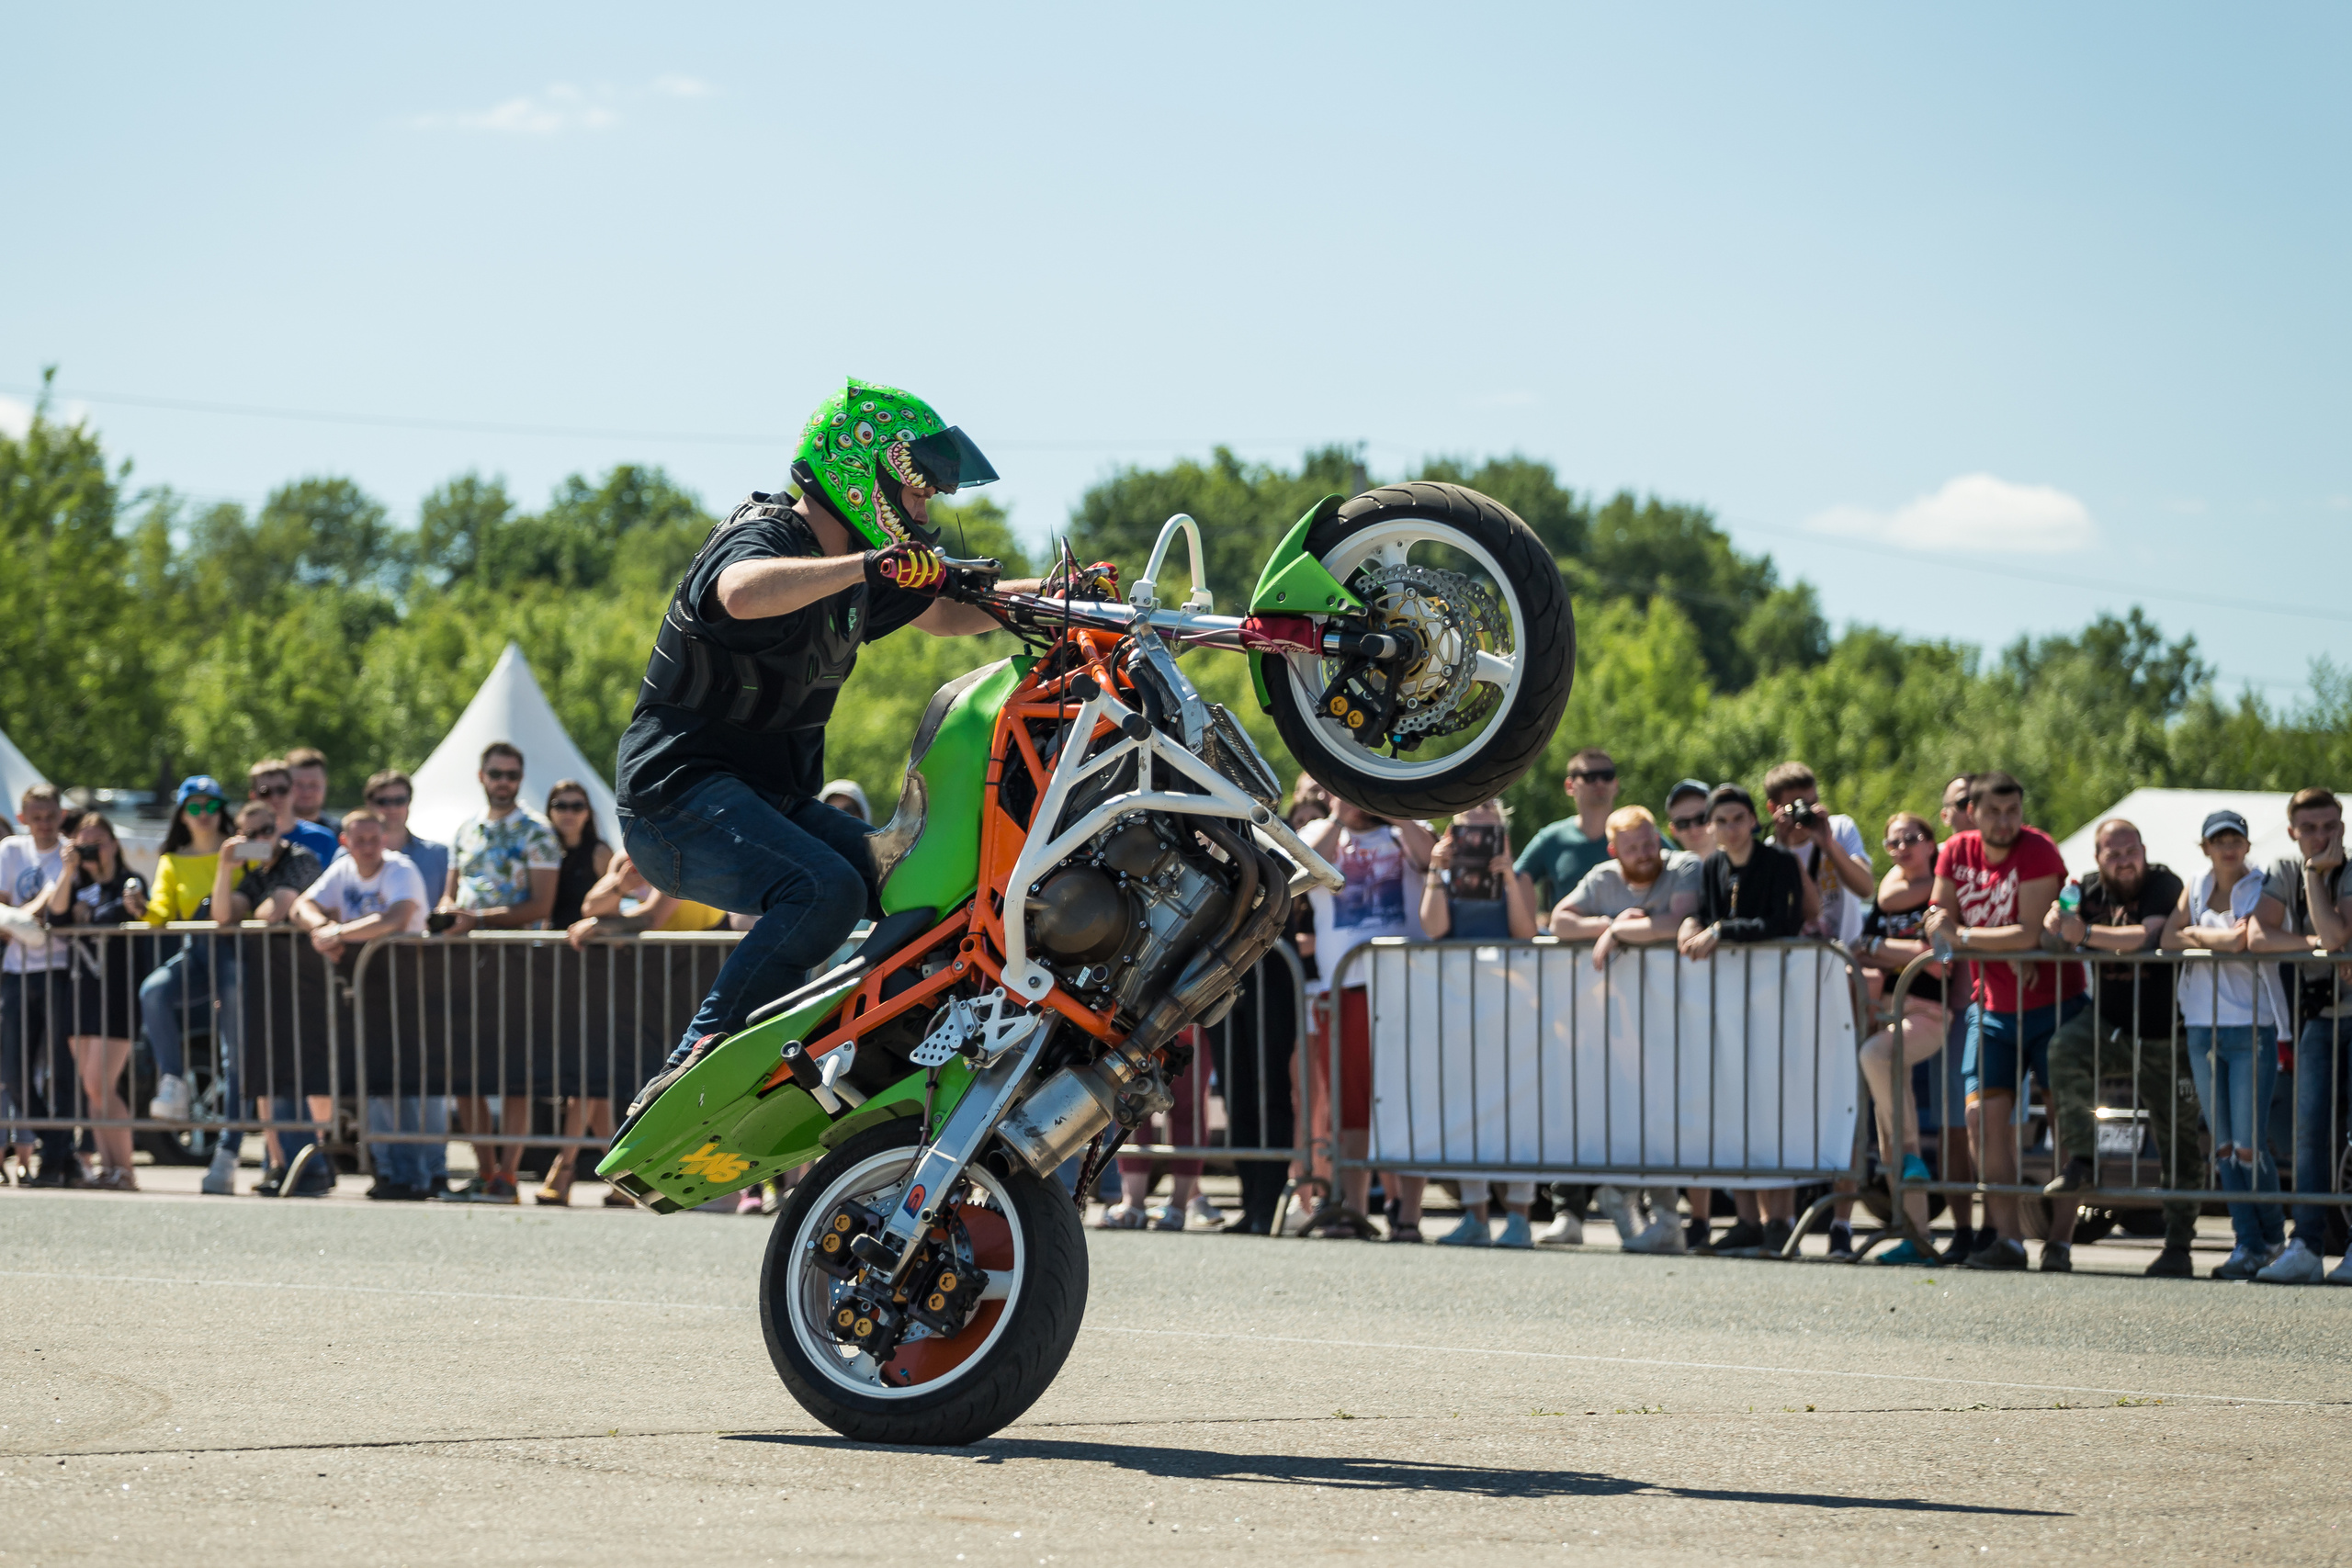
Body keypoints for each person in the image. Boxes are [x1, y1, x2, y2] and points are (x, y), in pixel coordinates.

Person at [614, 381, 1028, 1092]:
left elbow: (949, 614)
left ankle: (883, 1048)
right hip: (676, 801)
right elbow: (740, 592)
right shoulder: (767, 535)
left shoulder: (862, 569)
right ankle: (699, 1057)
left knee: (922, 882)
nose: (924, 512)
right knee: (824, 887)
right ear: (861, 476)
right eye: (917, 492)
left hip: (768, 802)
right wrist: (870, 565)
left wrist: (1064, 596)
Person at [1920, 771, 2083, 1272]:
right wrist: (1950, 929)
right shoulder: (1955, 852)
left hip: (2055, 1006)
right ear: (1973, 812)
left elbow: (2028, 934)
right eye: (1994, 812)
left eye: (2013, 812)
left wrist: (1964, 936)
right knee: (1981, 1120)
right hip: (1989, 1009)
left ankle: (2059, 1242)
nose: (2005, 822)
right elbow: (1936, 921)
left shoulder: (2037, 849)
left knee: (2064, 1126)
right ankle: (2008, 1240)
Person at [2035, 818, 2199, 1277]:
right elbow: (2053, 941)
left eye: (2132, 851)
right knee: (2064, 1048)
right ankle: (2083, 1160)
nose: (2125, 861)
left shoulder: (2165, 883)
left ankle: (2178, 1245)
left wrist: (2082, 934)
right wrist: (2055, 927)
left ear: (2144, 851)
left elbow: (2147, 935)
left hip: (2166, 1033)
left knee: (2178, 1140)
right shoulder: (2083, 890)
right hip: (2108, 1024)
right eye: (2114, 854)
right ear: (2098, 859)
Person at [1545, 803, 1702, 1254]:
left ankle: (1664, 1214)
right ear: (1615, 850)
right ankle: (1621, 1195)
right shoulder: (1602, 877)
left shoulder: (1684, 866)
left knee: (1664, 1116)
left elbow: (1676, 923)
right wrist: (1612, 923)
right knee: (1614, 1114)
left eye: (1650, 842)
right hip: (1612, 1027)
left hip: (1673, 1023)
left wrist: (1617, 935)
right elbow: (1559, 920)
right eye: (1633, 848)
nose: (1645, 853)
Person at [1677, 784, 1813, 1256]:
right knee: (1735, 1112)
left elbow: (1783, 924)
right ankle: (1747, 1219)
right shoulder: (1711, 866)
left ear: (1754, 821)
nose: (1729, 828)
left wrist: (1720, 930)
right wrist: (1693, 925)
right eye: (1720, 821)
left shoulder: (1779, 864)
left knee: (1774, 1111)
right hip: (1728, 1006)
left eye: (1738, 818)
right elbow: (1702, 914)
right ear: (1710, 829)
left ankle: (1781, 1219)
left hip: (1775, 1001)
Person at [2159, 809, 2290, 1279]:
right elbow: (2169, 937)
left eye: (2236, 838)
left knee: (2249, 1145)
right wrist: (2200, 935)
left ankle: (2273, 1236)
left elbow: (2241, 943)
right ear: (2205, 847)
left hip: (2251, 1024)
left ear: (2248, 846)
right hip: (2200, 1024)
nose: (2228, 847)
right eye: (2219, 840)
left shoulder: (2262, 884)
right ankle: (2248, 1242)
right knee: (2222, 1145)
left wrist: (2195, 934)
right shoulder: (2193, 884)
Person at [1301, 798, 1433, 1239]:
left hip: (1405, 985)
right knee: (1348, 1105)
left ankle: (1410, 1215)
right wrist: (1340, 814)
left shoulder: (1405, 828)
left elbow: (1433, 858)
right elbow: (1296, 866)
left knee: (1409, 1104)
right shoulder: (1322, 831)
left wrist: (1392, 807)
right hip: (1346, 989)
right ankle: (1355, 1209)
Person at [435, 741, 561, 1203]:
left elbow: (541, 905)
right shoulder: (465, 830)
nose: (503, 781)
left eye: (511, 774)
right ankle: (484, 1171)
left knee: (513, 1074)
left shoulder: (538, 831)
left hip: (518, 961)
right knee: (466, 1071)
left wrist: (481, 920)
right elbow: (450, 896)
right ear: (481, 776)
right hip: (467, 963)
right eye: (496, 773)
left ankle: (508, 1176)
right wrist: (448, 914)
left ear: (520, 779)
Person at [1418, 800, 1542, 1247]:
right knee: (1468, 1107)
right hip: (1460, 1006)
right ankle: (1475, 1214)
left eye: (1487, 809)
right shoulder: (1446, 878)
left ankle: (1520, 1215)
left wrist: (1507, 876)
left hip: (1510, 1006)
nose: (1477, 816)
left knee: (1516, 1108)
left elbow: (1525, 931)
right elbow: (1432, 928)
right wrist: (1435, 871)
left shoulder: (1519, 877)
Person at [296, 808, 433, 1199]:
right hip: (366, 994)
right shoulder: (342, 871)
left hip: (407, 991)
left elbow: (397, 917)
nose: (369, 847)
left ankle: (418, 1174)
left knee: (405, 1086)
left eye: (376, 838)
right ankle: (386, 1171)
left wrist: (338, 932)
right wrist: (320, 930)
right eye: (361, 840)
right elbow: (302, 905)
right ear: (345, 843)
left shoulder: (400, 869)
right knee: (373, 1083)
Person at [197, 799, 322, 1194]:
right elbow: (222, 915)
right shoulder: (253, 874)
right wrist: (223, 867)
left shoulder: (300, 858)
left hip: (301, 984)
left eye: (265, 831)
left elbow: (271, 913)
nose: (259, 841)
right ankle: (282, 1165)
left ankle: (311, 1167)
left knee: (288, 1078)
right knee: (264, 1076)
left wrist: (243, 920)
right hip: (266, 986)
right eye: (248, 835)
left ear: (279, 828)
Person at [2253, 788, 2352, 1284]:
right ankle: (2307, 1248)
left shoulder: (2349, 870)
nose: (2321, 835)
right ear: (2292, 831)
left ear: (2342, 826)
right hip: (2318, 1016)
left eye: (2330, 825)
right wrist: (2314, 944)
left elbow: (2340, 935)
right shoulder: (2286, 870)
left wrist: (2317, 877)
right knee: (2309, 1137)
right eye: (2309, 827)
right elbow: (2257, 936)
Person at [1856, 812, 1949, 1265]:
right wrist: (1899, 950)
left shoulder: (1941, 889)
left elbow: (1937, 963)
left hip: (1931, 1013)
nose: (1903, 848)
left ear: (1931, 843)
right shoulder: (1886, 895)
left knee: (1874, 1055)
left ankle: (1913, 1156)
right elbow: (1861, 946)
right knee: (1887, 1134)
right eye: (1893, 843)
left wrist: (1885, 949)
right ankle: (1915, 1236)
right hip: (1891, 1012)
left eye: (1912, 839)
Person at [38, 812, 146, 1189]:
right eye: (84, 843)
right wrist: (68, 871)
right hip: (81, 990)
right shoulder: (76, 881)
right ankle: (108, 1166)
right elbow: (56, 914)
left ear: (114, 844)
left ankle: (125, 1168)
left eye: (97, 842)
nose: (91, 850)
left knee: (103, 1082)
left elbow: (125, 911)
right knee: (91, 1087)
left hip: (115, 991)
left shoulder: (128, 882)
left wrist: (94, 913)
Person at [137, 777, 233, 1133]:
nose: (204, 813)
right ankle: (174, 1081)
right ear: (182, 815)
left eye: (211, 805)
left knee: (232, 1054)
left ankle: (234, 1142)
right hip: (200, 957)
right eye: (195, 806)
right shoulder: (172, 861)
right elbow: (159, 913)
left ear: (222, 810)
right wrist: (138, 908)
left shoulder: (242, 851)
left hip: (242, 958)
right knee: (154, 990)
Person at [1, 784, 77, 1183]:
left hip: (58, 968)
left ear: (60, 815)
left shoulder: (69, 852)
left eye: (51, 816)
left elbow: (51, 901)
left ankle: (56, 1160)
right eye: (37, 816)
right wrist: (17, 920)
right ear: (23, 817)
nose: (44, 824)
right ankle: (60, 1144)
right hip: (16, 971)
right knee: (14, 1071)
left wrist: (16, 918)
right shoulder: (11, 850)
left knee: (61, 1071)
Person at [1928, 773, 1984, 1260]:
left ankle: (1999, 1226)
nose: (1970, 809)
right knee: (1954, 1124)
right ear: (1945, 815)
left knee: (1991, 1122)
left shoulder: (2003, 858)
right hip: (1952, 1009)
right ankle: (1963, 1228)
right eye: (1962, 802)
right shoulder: (1939, 862)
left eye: (1976, 801)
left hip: (2000, 1006)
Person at [1514, 749, 1620, 918]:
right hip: (1570, 941)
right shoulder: (1551, 838)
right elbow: (1514, 882)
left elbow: (1676, 870)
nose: (1600, 783)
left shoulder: (1637, 832)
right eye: (1590, 776)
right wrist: (1530, 929)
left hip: (1628, 941)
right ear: (1570, 786)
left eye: (1607, 776)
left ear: (1615, 783)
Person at [345, 770, 449, 914]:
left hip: (423, 936)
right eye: (383, 801)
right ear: (369, 805)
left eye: (399, 800)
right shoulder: (347, 854)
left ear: (409, 802)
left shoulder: (438, 855)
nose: (392, 808)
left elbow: (450, 902)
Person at [543, 778, 612, 931]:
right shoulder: (538, 850)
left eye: (577, 806)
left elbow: (612, 904)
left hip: (588, 944)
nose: (569, 813)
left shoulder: (600, 853)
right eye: (560, 806)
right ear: (549, 811)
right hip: (546, 944)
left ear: (588, 813)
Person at [247, 757, 339, 866]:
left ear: (292, 791)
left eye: (282, 790)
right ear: (253, 797)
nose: (275, 798)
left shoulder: (324, 839)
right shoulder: (246, 841)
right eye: (265, 792)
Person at [286, 746, 336, 831]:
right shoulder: (267, 832)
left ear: (326, 783)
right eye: (298, 784)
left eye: (313, 784)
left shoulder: (342, 834)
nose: (307, 792)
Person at [1663, 778, 1713, 860]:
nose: (1694, 829)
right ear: (1673, 830)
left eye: (1701, 818)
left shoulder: (1739, 862)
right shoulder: (1667, 871)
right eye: (1683, 823)